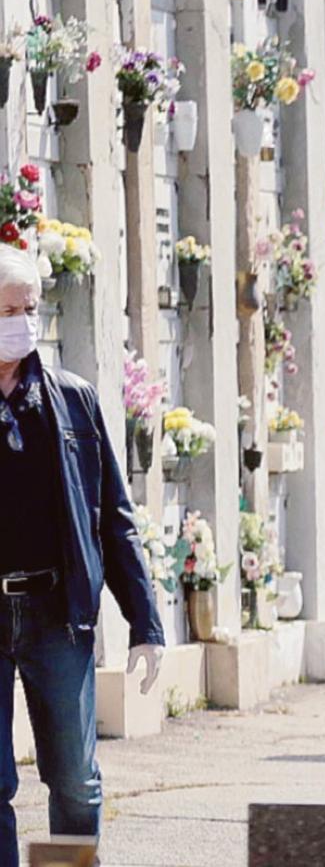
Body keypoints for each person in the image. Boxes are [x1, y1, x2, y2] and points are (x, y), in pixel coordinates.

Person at [0, 245, 163, 865]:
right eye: (9, 310)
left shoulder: (72, 401)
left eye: (30, 308)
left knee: (73, 779)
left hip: (55, 614)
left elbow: (113, 519)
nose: (23, 321)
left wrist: (144, 622)